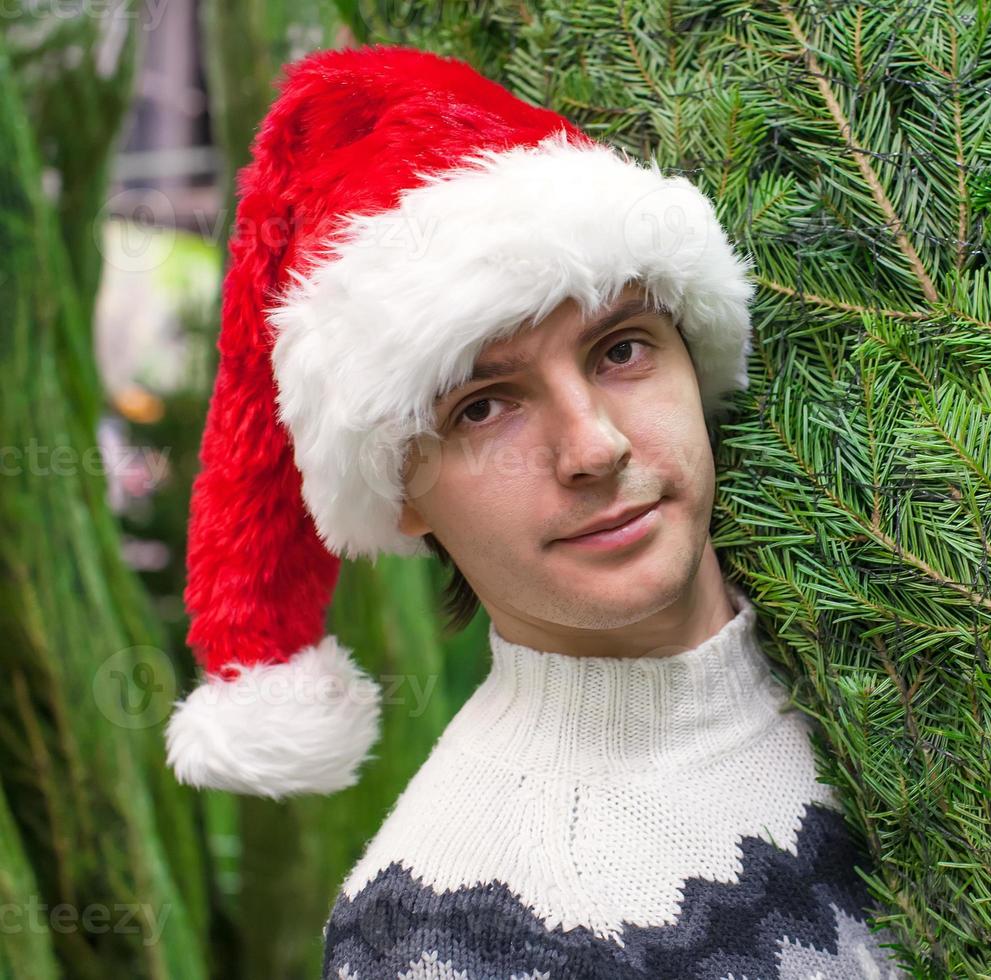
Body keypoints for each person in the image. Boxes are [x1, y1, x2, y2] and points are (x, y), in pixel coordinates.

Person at [160, 43, 906, 979]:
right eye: (483, 406)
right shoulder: (451, 935)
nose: (594, 447)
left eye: (622, 350)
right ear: (400, 493)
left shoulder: (899, 633)